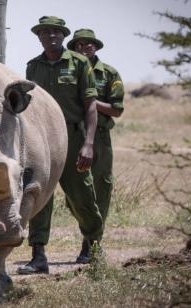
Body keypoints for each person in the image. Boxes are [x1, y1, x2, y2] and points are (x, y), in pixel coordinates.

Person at [17, 16, 103, 274]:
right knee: (39, 196)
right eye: (45, 32)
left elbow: (91, 106)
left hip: (73, 137)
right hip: (43, 140)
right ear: (39, 37)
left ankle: (93, 247)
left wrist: (87, 144)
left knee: (82, 197)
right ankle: (38, 256)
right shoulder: (33, 67)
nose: (51, 36)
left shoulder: (79, 64)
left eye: (56, 32)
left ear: (64, 36)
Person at [67, 28, 125, 263]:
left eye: (89, 44)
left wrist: (90, 100)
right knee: (74, 193)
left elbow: (117, 109)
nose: (85, 47)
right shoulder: (68, 71)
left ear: (96, 47)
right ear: (74, 48)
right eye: (79, 44)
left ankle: (91, 245)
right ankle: (87, 230)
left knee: (100, 190)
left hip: (99, 138)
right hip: (72, 136)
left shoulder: (109, 73)